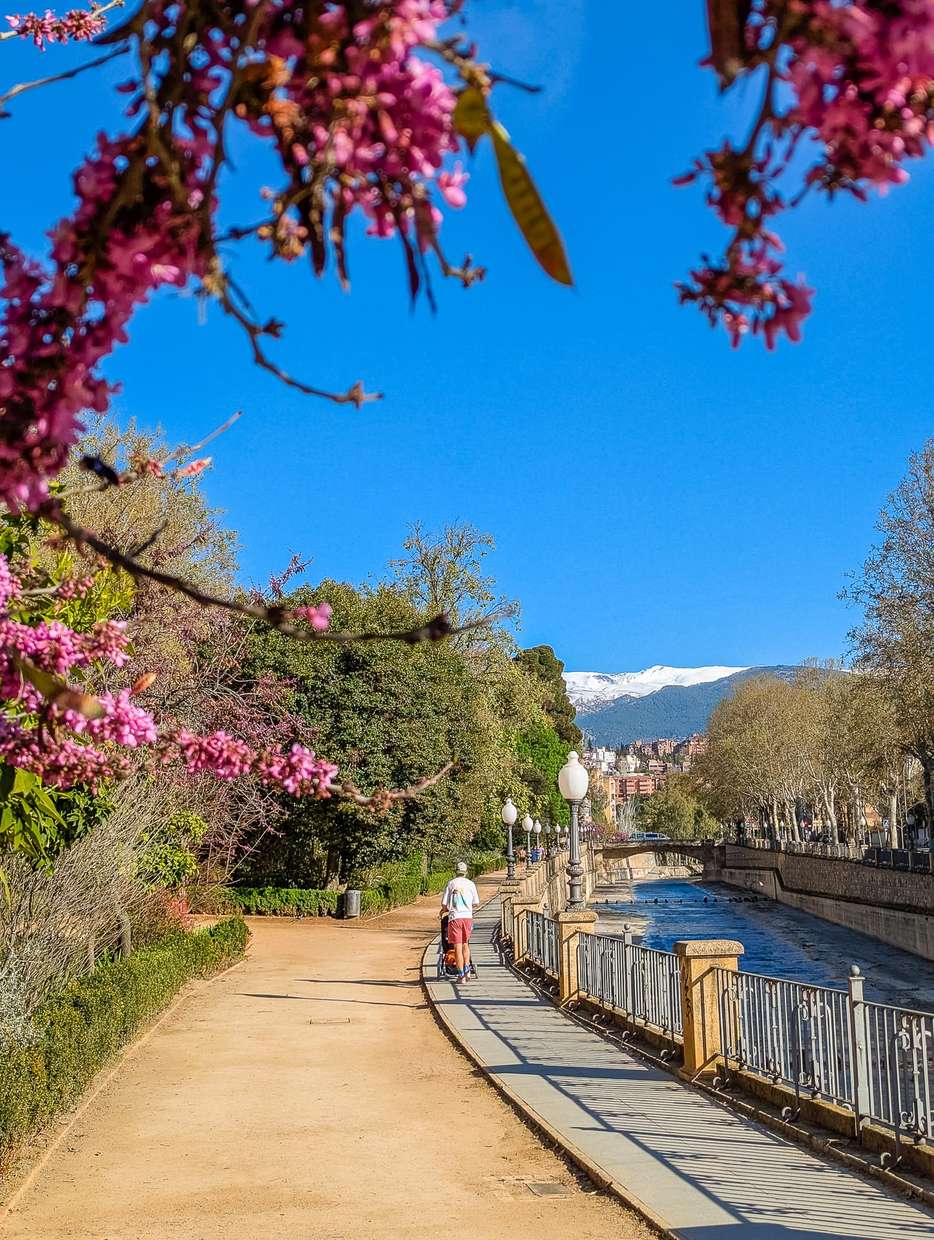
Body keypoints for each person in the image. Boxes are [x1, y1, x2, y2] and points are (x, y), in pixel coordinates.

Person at [441, 861, 479, 983]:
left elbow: (444, 904)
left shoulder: (451, 883)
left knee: (457, 946)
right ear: (466, 872)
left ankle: (461, 974)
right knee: (465, 944)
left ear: (455, 871)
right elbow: (476, 903)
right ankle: (467, 971)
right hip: (467, 917)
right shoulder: (471, 884)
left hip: (455, 917)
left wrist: (442, 911)